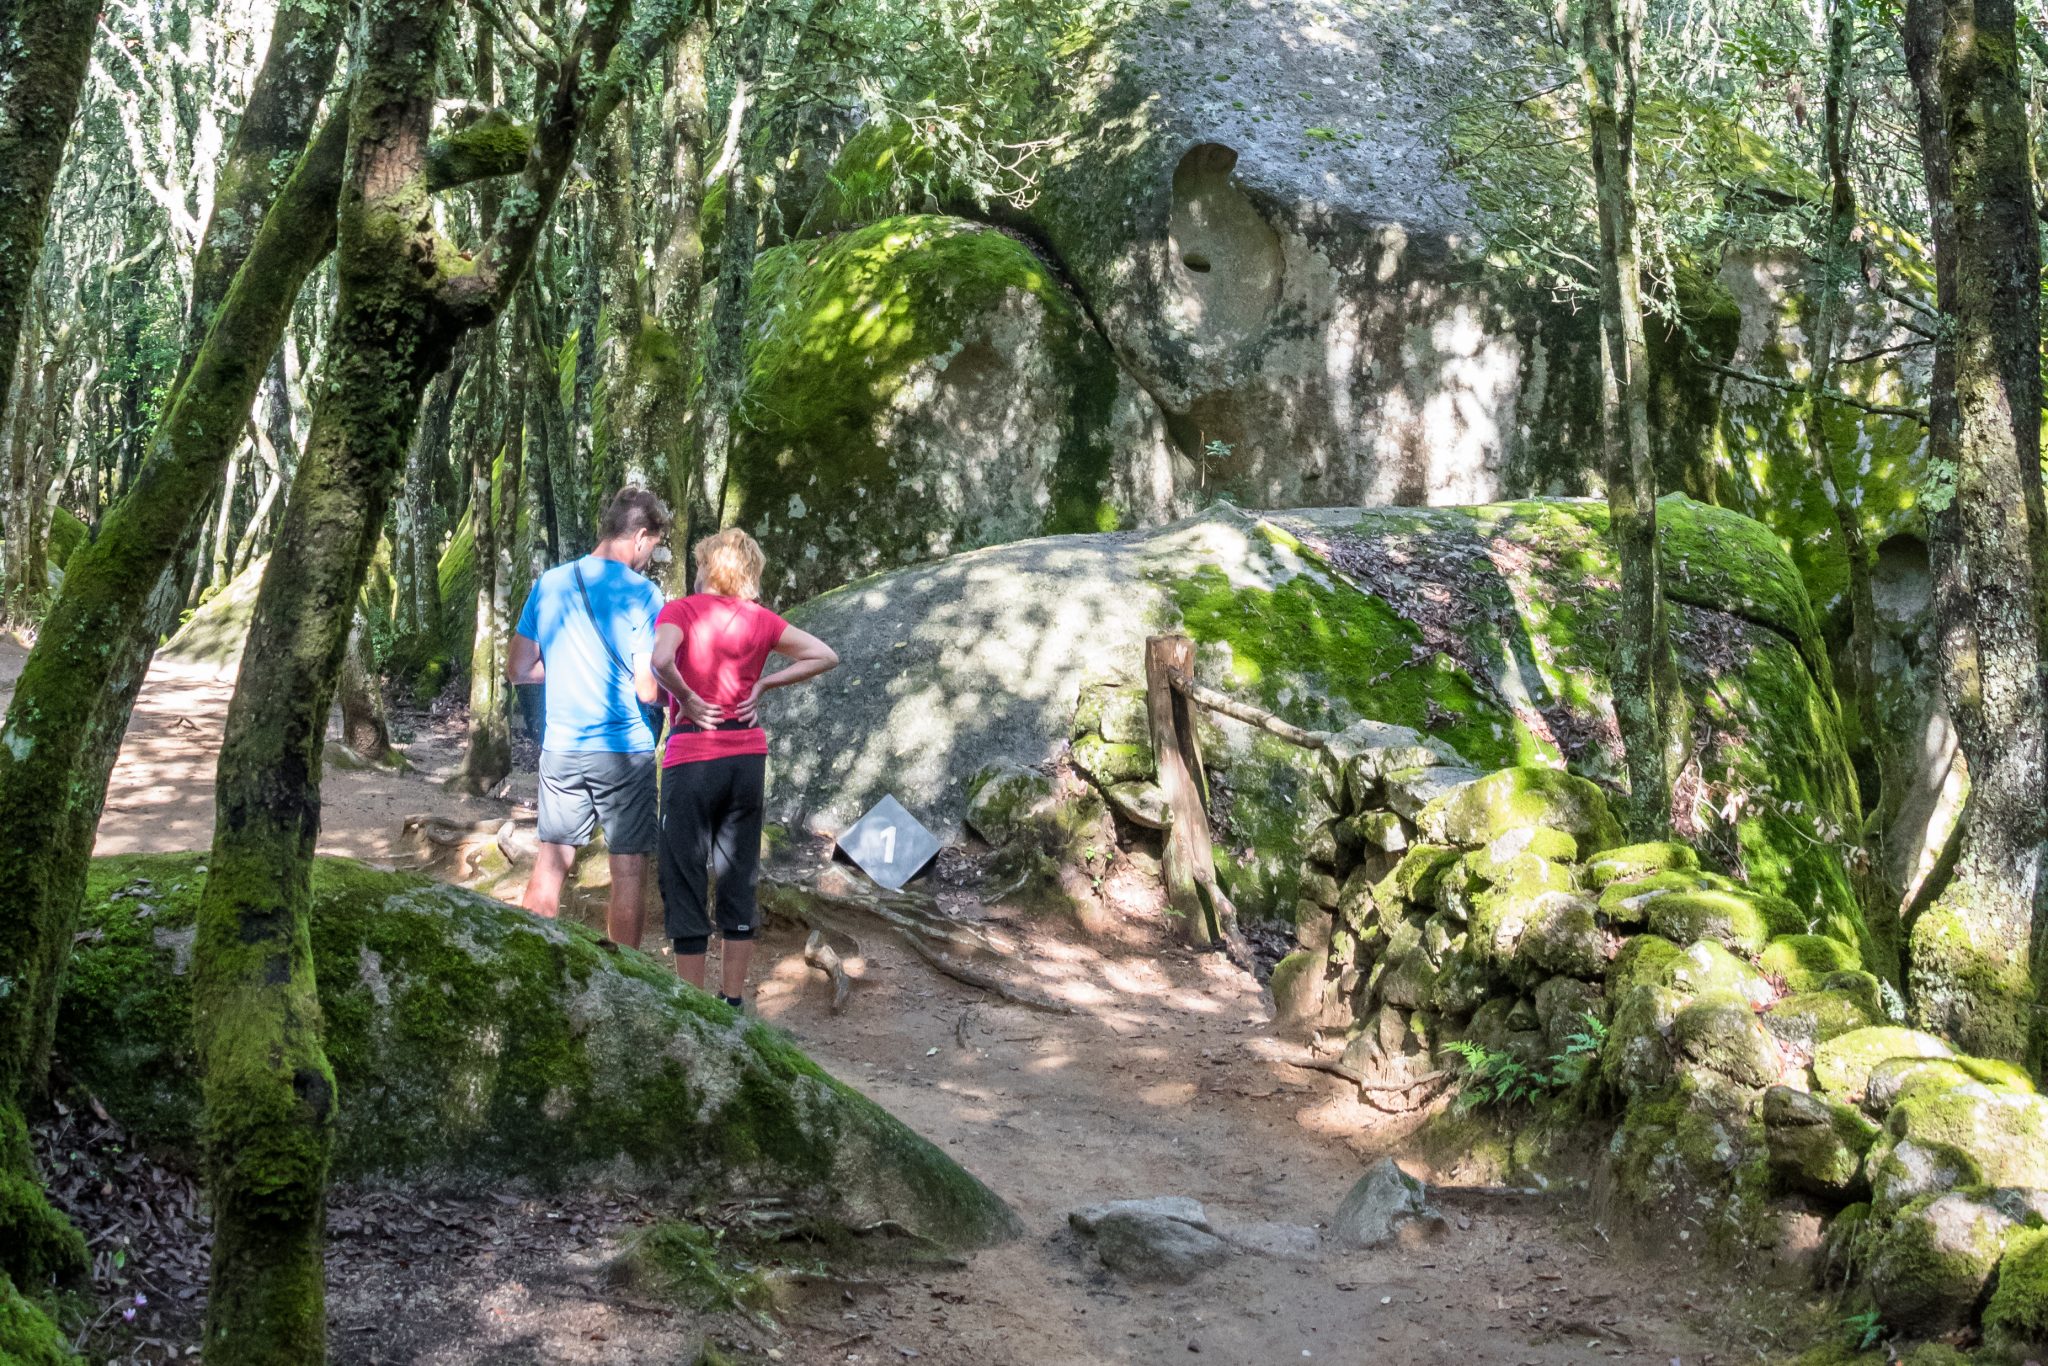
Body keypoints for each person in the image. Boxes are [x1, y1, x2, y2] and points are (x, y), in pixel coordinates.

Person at [652, 527, 838, 1008]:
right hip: (746, 759)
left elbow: (659, 660)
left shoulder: (681, 611)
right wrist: (766, 685)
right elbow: (825, 654)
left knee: (684, 873)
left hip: (693, 755)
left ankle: (692, 1004)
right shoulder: (761, 619)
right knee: (739, 874)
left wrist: (688, 698)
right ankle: (732, 1002)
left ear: (708, 568)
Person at [507, 487, 670, 948]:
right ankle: (625, 979)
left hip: (562, 748)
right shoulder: (644, 594)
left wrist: (565, 670)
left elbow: (518, 668)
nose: (650, 560)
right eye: (653, 548)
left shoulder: (551, 583)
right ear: (640, 537)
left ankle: (529, 959)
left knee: (551, 863)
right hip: (623, 752)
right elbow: (646, 687)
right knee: (629, 870)